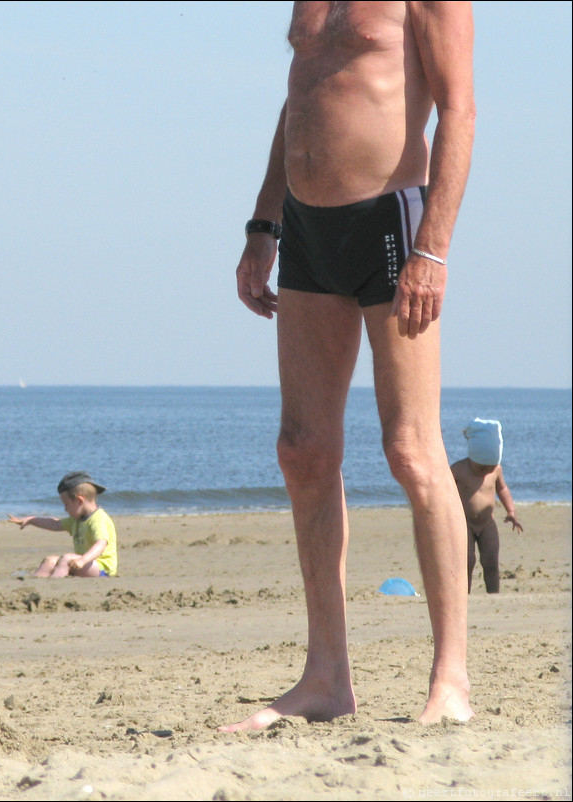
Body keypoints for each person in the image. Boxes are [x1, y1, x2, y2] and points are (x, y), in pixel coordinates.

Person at [230, 2, 476, 730]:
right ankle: (326, 678)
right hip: (307, 225)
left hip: (391, 222)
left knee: (410, 449)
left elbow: (458, 111)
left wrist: (434, 248)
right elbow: (301, 96)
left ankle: (451, 678)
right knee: (303, 451)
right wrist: (263, 222)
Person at [451, 419, 523, 594]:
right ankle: (463, 595)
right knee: (466, 561)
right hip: (464, 523)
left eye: (490, 467)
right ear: (473, 455)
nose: (486, 471)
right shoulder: (458, 469)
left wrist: (511, 511)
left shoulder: (496, 470)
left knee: (491, 561)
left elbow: (503, 489)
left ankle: (494, 594)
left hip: (487, 523)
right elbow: (444, 493)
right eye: (482, 467)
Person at [9, 472, 118, 578]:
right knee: (50, 561)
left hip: (102, 568)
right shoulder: (76, 520)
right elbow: (55, 524)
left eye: (66, 504)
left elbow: (101, 544)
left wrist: (82, 560)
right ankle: (37, 584)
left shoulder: (98, 519)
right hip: (81, 564)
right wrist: (31, 520)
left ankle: (55, 582)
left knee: (66, 559)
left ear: (79, 500)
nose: (65, 509)